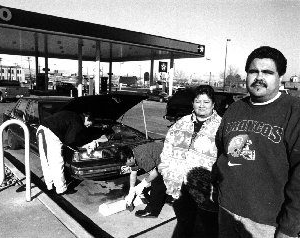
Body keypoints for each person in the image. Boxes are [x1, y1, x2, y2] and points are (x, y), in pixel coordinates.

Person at [214, 46, 300, 238]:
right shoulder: (235, 109)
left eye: (267, 72)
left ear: (280, 76)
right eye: (253, 71)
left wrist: (289, 228)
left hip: (267, 224)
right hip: (227, 211)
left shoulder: (294, 111)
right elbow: (222, 152)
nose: (259, 77)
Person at [158, 85, 222, 237]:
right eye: (198, 101)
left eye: (206, 102)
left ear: (213, 104)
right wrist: (167, 175)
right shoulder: (181, 124)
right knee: (184, 226)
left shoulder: (222, 127)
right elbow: (166, 150)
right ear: (192, 103)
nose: (201, 105)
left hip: (207, 195)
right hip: (180, 190)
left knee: (206, 231)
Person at [36, 110, 94, 194]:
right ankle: (61, 189)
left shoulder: (74, 115)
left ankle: (50, 186)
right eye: (89, 124)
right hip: (50, 133)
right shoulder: (77, 122)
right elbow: (69, 141)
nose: (88, 127)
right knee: (56, 163)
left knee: (47, 161)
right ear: (87, 118)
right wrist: (81, 146)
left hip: (44, 131)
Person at [117, 141, 165, 218]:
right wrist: (131, 191)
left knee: (157, 183)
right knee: (163, 181)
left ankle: (152, 211)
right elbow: (133, 174)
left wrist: (142, 185)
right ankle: (170, 198)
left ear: (130, 159)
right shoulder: (133, 155)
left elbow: (154, 174)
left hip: (171, 157)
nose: (126, 166)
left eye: (126, 164)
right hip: (164, 155)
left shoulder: (142, 157)